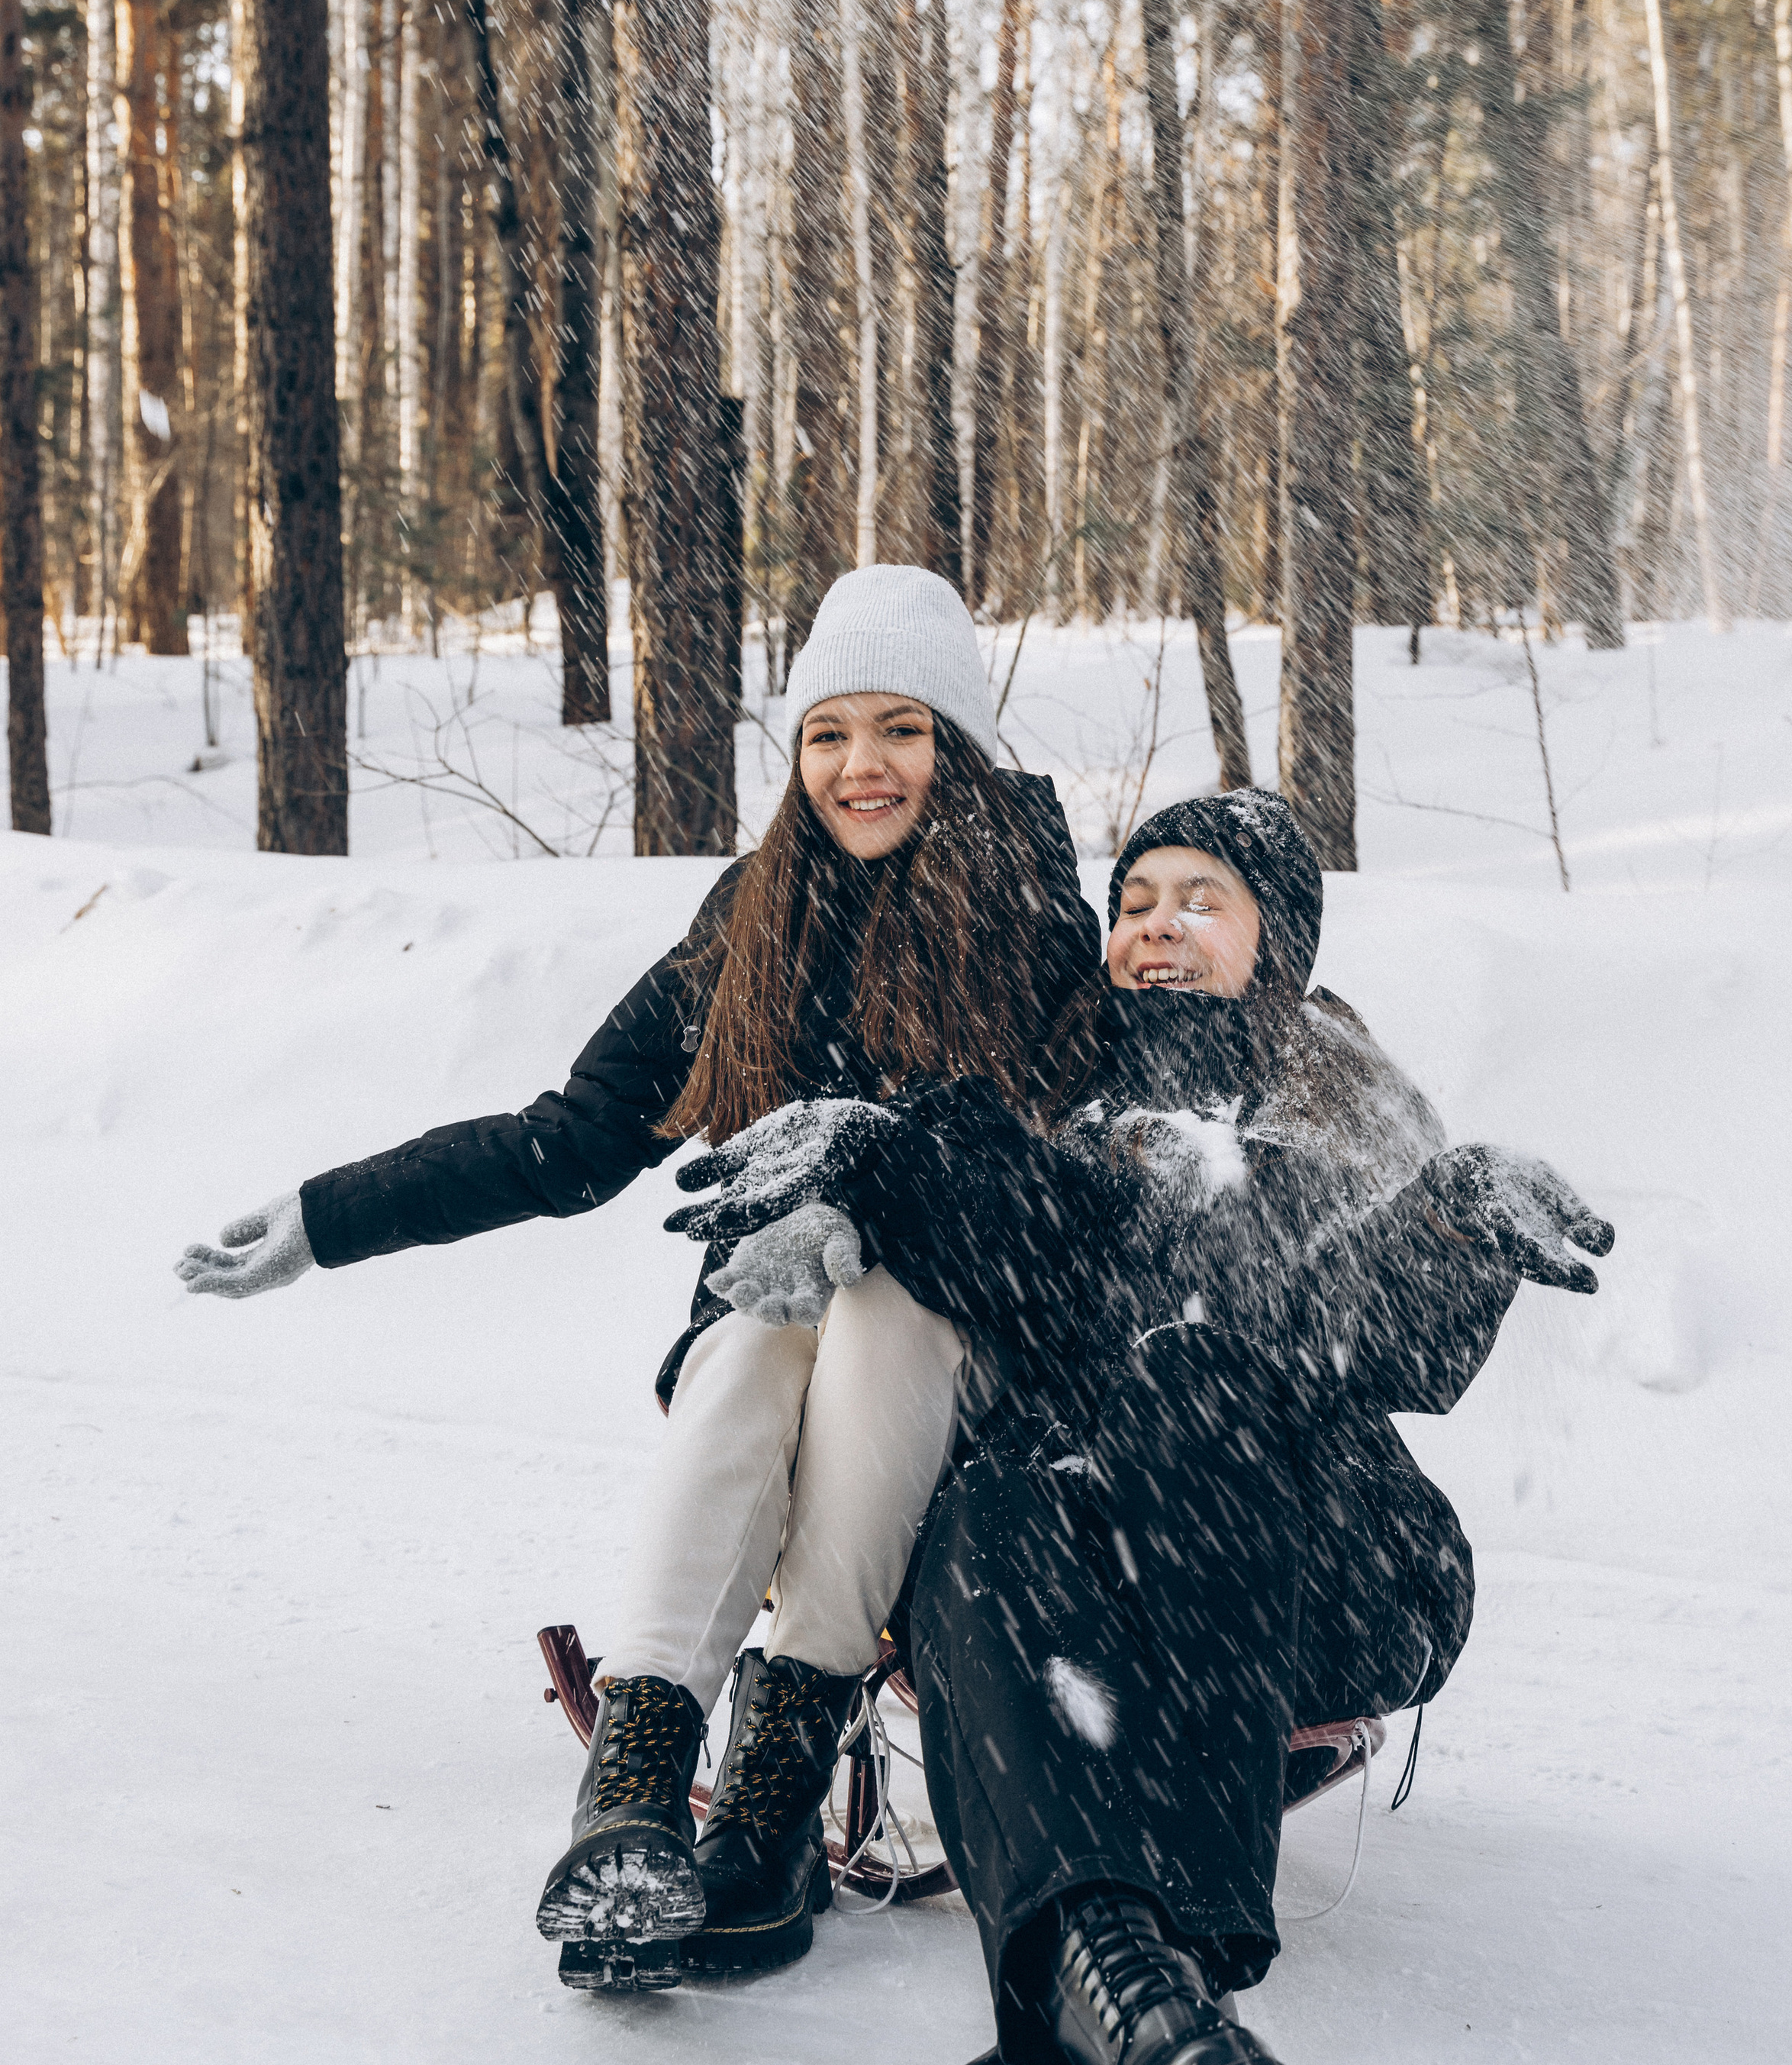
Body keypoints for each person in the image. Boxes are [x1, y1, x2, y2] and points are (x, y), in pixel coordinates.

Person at [669, 789, 1612, 2065]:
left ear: (1276, 941)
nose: (1154, 927)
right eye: (1134, 902)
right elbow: (1018, 1235)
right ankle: (1132, 2017)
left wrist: (1450, 1222)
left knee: (1189, 1375)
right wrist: (874, 1153)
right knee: (979, 1516)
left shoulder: (1339, 1109)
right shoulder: (1049, 1101)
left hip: (1327, 1563)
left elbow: (1340, 1333)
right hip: (1082, 1572)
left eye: (1200, 900)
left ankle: (1166, 1974)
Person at [174, 566, 1101, 1989]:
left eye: (903, 729)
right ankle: (638, 1787)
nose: (863, 767)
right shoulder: (758, 912)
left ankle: (776, 1798)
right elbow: (570, 1137)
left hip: (958, 1353)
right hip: (777, 1343)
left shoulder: (1033, 911)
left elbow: (1043, 1195)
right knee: (748, 1333)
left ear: (959, 744)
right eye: (829, 733)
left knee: (868, 1313)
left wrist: (880, 1199)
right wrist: (327, 1214)